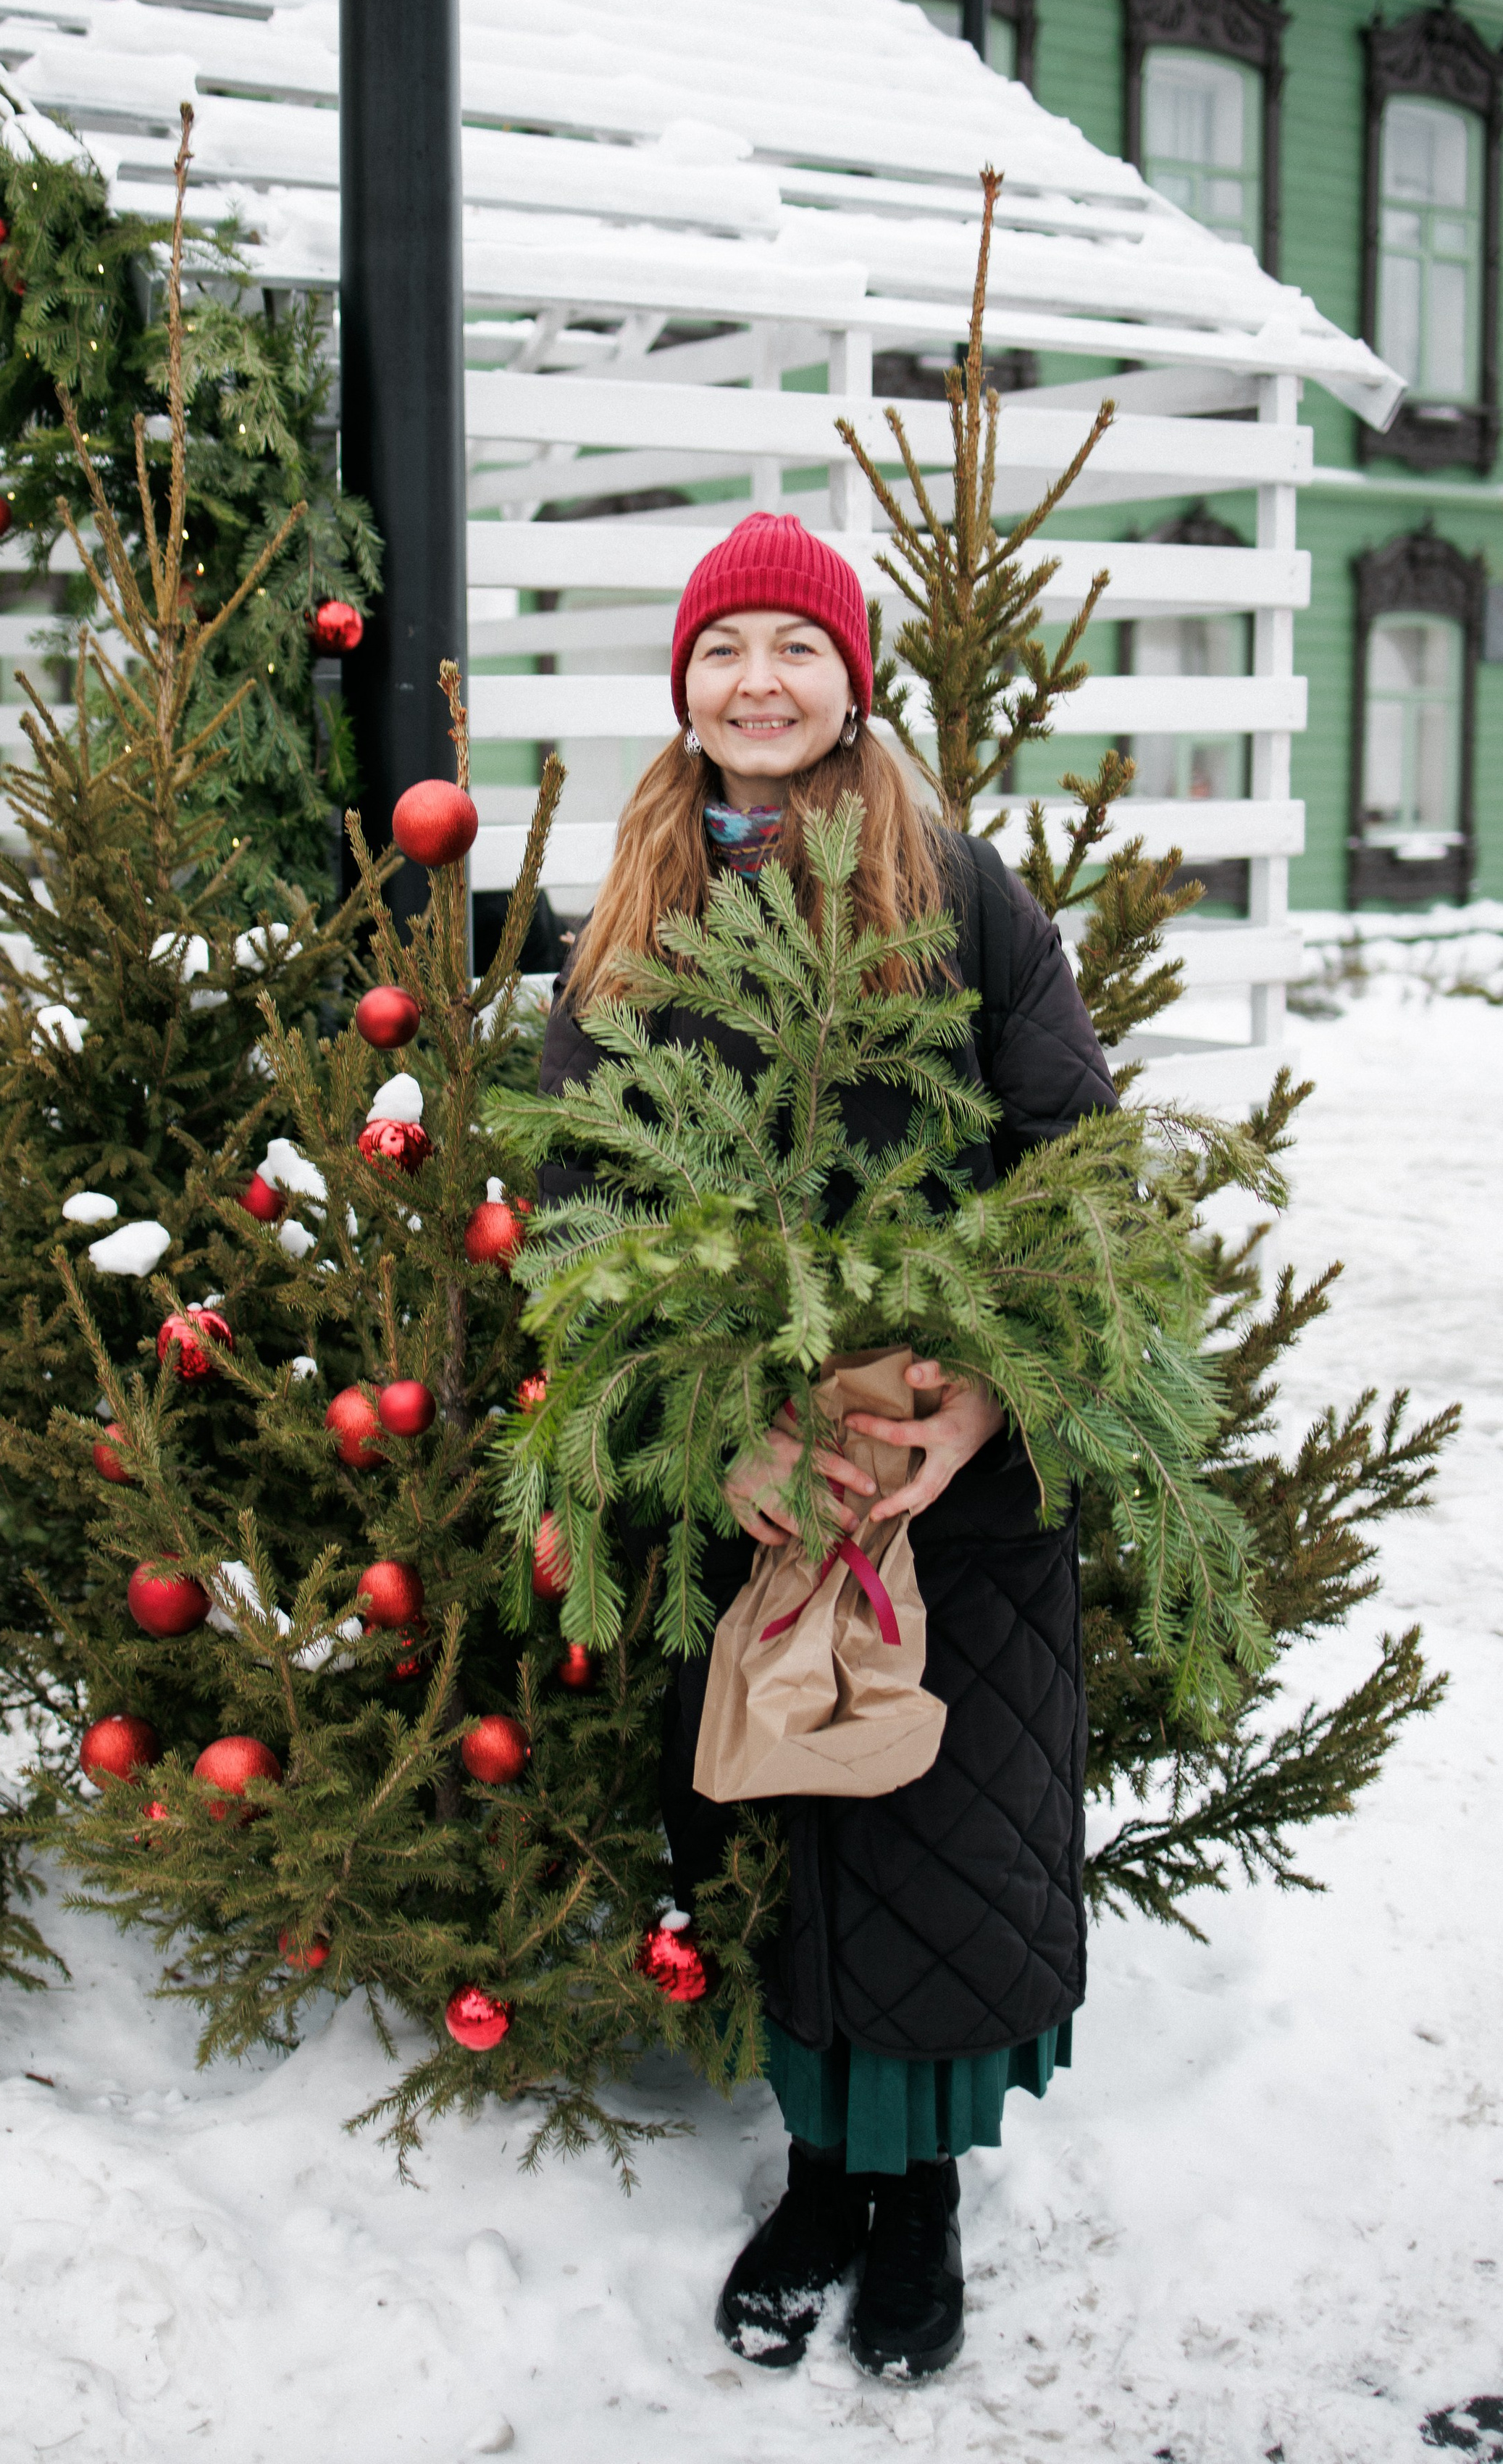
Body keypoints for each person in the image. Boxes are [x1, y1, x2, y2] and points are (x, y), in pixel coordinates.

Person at [535, 512, 1115, 2381]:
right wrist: (704, 1445)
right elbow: (580, 1219)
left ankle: (922, 2202)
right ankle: (814, 2180)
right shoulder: (630, 915)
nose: (758, 683)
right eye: (724, 652)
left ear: (851, 682)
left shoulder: (957, 890)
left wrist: (982, 1395)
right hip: (747, 1455)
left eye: (796, 649)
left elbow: (1073, 1161)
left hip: (942, 1461)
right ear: (686, 686)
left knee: (938, 1832)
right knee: (776, 1821)